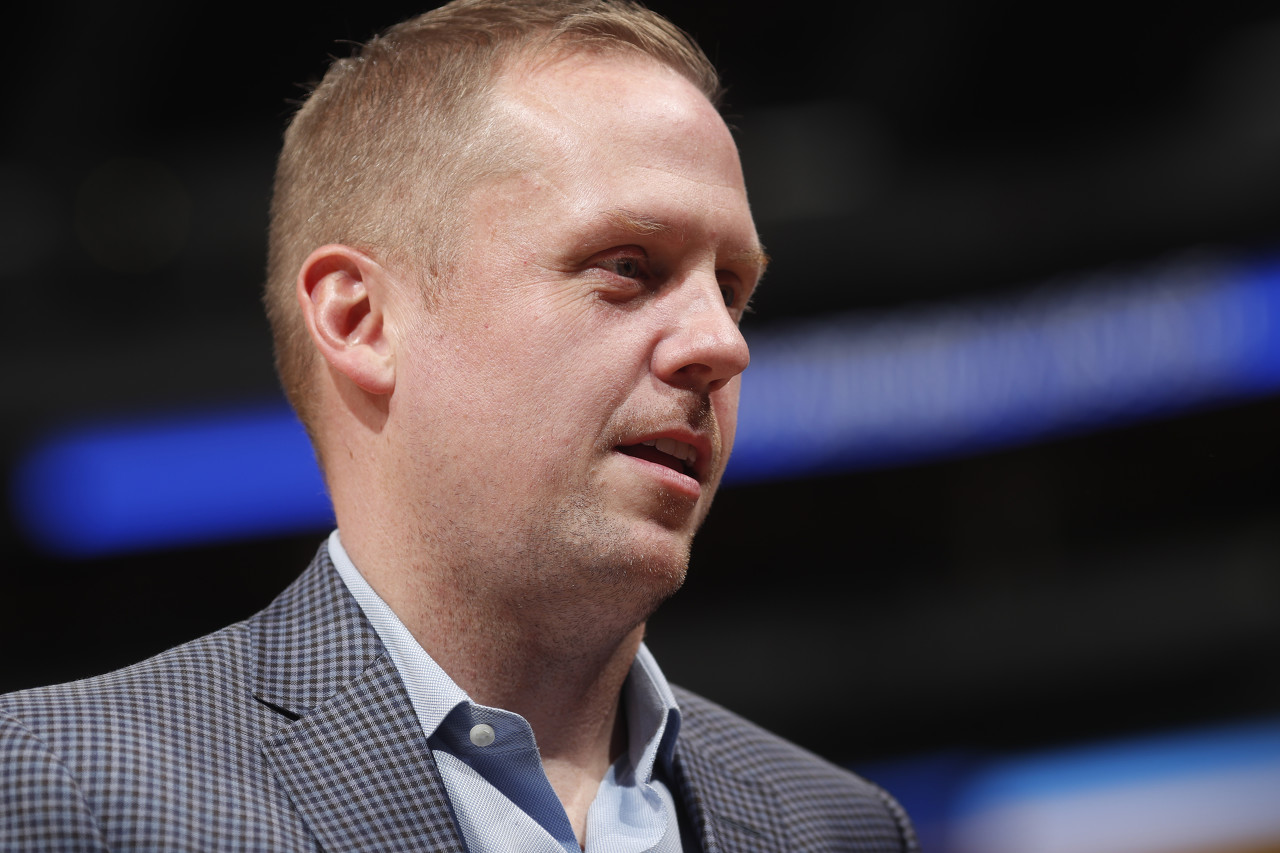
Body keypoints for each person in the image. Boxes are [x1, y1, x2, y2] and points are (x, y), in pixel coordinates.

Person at [1, 1, 917, 850]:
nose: (723, 344)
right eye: (628, 265)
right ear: (362, 320)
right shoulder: (69, 787)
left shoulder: (840, 826)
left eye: (732, 288)